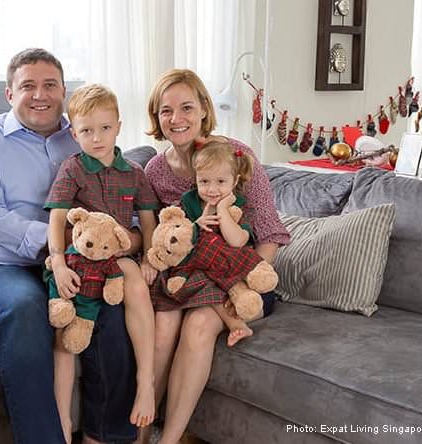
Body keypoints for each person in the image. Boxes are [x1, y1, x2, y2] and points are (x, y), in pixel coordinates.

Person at [0, 48, 138, 444]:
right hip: (5, 267)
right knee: (24, 313)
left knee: (111, 309)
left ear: (63, 91)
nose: (40, 94)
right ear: (9, 94)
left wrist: (123, 240)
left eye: (50, 85)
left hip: (82, 262)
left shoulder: (83, 135)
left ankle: (107, 436)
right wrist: (62, 247)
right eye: (28, 86)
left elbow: (117, 197)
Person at [139, 69, 290, 444]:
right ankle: (138, 434)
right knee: (163, 324)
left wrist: (241, 280)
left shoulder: (238, 158)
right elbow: (159, 237)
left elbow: (270, 233)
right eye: (166, 111)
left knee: (201, 324)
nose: (177, 119)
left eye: (187, 107)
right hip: (188, 278)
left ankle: (169, 439)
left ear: (205, 110)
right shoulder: (155, 171)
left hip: (244, 277)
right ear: (156, 118)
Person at [44, 84, 158, 443]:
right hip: (77, 262)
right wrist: (59, 265)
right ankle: (62, 422)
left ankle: (146, 383)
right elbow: (57, 221)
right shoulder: (72, 169)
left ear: (119, 127)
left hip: (116, 259)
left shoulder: (135, 172)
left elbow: (149, 219)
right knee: (67, 334)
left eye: (105, 128)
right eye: (87, 131)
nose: (97, 138)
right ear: (74, 133)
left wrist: (151, 255)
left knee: (137, 282)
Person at [152, 140, 263, 346]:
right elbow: (178, 237)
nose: (212, 189)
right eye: (204, 181)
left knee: (216, 281)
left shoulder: (240, 206)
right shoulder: (188, 201)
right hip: (198, 265)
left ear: (234, 180)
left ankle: (237, 322)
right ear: (196, 179)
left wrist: (222, 209)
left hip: (229, 264)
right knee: (198, 281)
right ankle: (235, 323)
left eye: (221, 182)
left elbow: (237, 241)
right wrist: (196, 225)